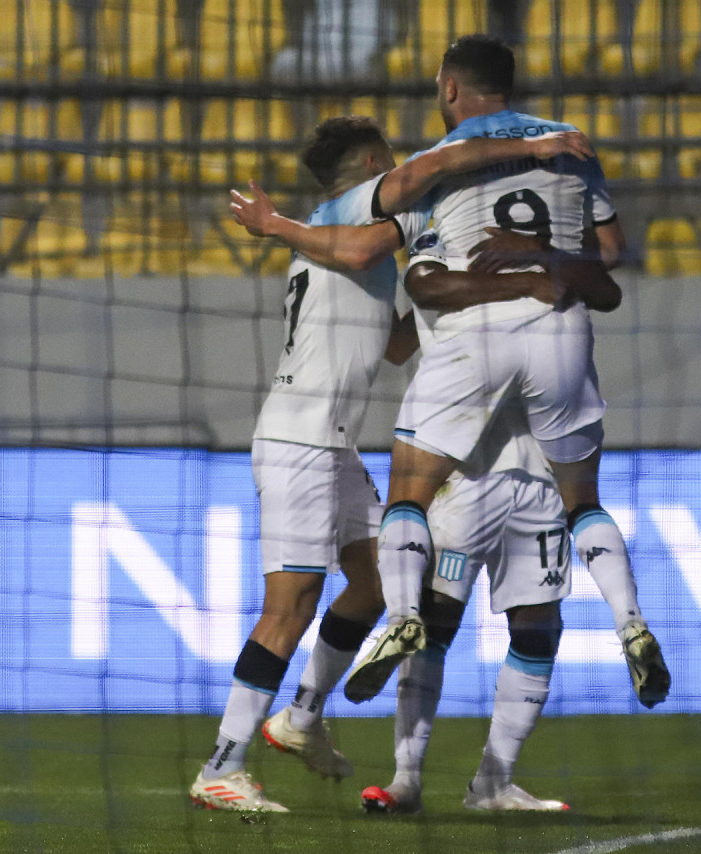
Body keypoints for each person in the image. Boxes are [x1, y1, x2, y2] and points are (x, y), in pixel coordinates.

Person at [229, 35, 670, 711]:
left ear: (450, 88)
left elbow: (399, 330)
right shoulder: (558, 147)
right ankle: (630, 621)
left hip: (375, 408)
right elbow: (608, 257)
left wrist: (279, 226)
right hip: (539, 339)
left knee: (393, 539)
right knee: (580, 501)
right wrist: (538, 251)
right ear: (374, 164)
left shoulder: (380, 200)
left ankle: (315, 702)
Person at [189, 116, 600, 813]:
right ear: (375, 164)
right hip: (299, 440)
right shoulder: (351, 215)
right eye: (393, 166)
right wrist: (530, 149)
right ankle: (222, 767)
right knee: (287, 606)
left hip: (332, 443)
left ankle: (302, 718)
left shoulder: (365, 246)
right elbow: (418, 182)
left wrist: (468, 302)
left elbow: (399, 346)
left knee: (380, 580)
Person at [359, 228, 624, 814]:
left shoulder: (558, 254)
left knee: (537, 629)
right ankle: (406, 779)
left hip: (538, 476)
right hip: (468, 470)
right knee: (435, 621)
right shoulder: (457, 248)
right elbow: (400, 340)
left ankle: (494, 783)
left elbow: (606, 286)